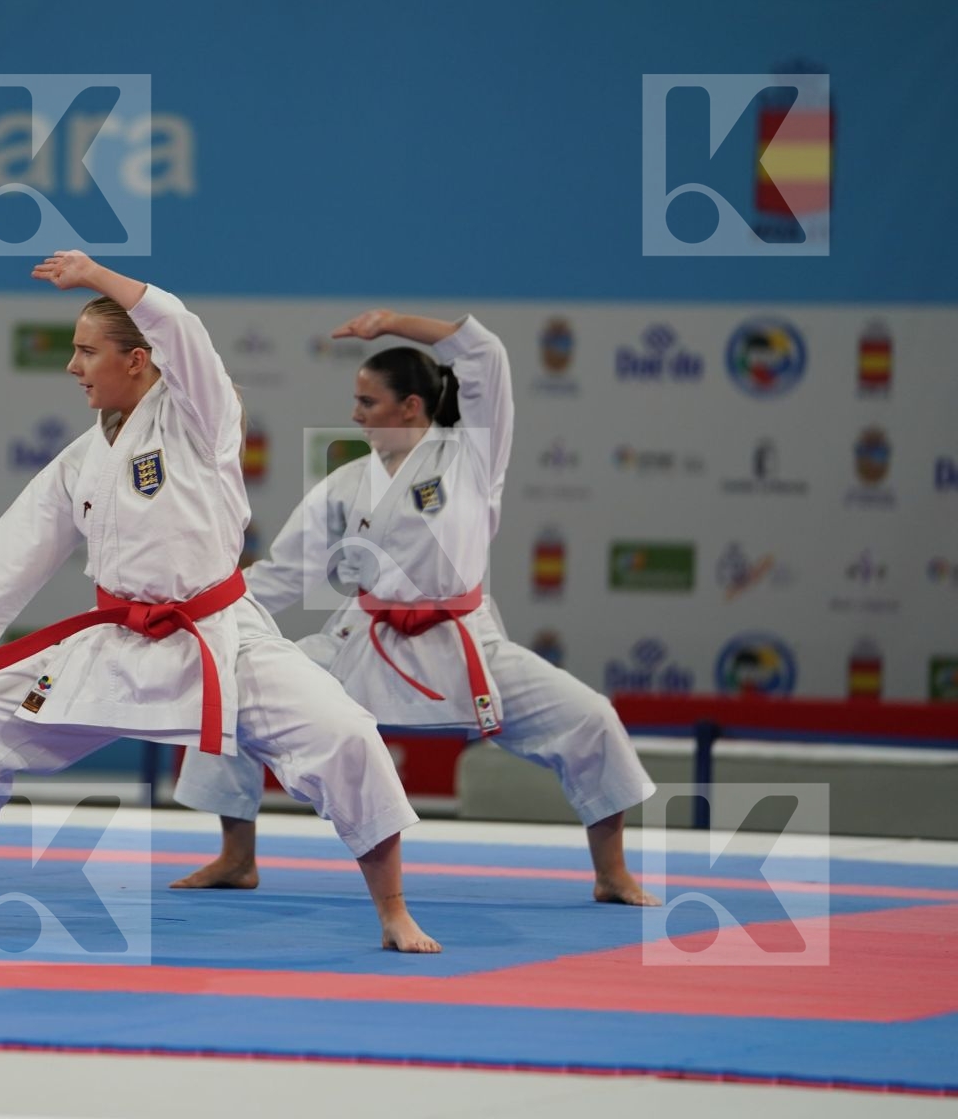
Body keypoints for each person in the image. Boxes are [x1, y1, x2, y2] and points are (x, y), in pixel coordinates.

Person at [0, 252, 440, 953]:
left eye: (86, 352)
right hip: (116, 642)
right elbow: (23, 541)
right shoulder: (84, 455)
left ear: (138, 359)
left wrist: (98, 275)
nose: (73, 368)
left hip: (218, 638)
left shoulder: (201, 414)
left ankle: (394, 913)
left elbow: (179, 325)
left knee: (346, 736)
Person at [171, 308, 658, 905]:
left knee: (592, 718)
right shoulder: (349, 482)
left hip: (464, 645)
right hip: (360, 646)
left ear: (410, 407)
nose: (354, 414)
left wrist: (396, 323)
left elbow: (487, 358)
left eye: (368, 402)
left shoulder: (473, 458)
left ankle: (613, 873)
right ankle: (237, 857)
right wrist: (199, 611)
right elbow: (285, 572)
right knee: (234, 697)